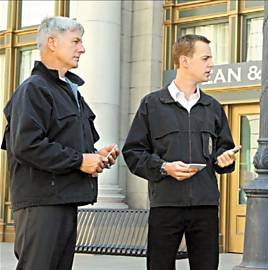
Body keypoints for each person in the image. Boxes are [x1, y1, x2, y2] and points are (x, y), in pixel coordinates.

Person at [1, 16, 119, 270]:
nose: (82, 48)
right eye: (76, 41)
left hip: (64, 200)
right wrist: (80, 161)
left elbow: (72, 147)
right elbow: (27, 146)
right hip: (42, 205)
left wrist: (97, 156)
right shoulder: (33, 89)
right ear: (52, 43)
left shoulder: (69, 91)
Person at [122, 34, 240, 270]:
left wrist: (224, 158)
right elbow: (133, 152)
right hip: (166, 204)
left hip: (205, 206)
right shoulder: (152, 104)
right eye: (205, 58)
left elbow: (222, 151)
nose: (211, 64)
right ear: (184, 61)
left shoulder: (213, 107)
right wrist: (164, 168)